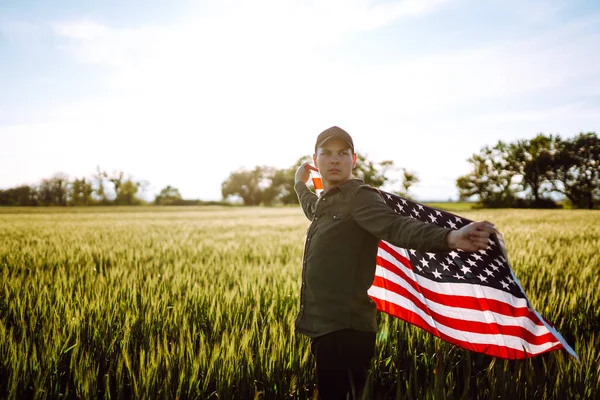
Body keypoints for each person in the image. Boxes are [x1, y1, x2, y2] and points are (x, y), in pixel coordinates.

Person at [293, 126, 497, 400]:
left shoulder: (360, 197)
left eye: (343, 154)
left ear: (353, 161)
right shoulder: (327, 202)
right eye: (326, 154)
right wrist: (299, 185)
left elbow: (396, 226)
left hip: (345, 331)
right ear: (315, 160)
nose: (334, 160)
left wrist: (450, 237)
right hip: (323, 328)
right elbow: (312, 210)